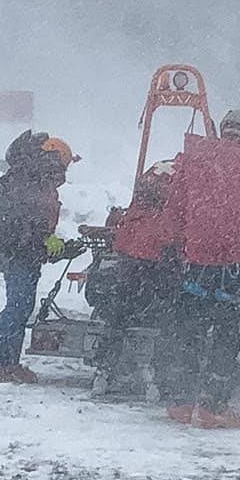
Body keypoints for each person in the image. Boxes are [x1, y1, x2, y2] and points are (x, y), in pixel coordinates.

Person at [162, 109, 240, 428]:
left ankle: (181, 402)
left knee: (189, 330)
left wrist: (183, 244)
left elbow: (173, 210)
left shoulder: (192, 162)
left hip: (195, 262)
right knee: (226, 335)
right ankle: (214, 406)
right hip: (232, 264)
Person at [0, 130, 83, 385]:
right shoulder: (27, 183)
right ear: (52, 159)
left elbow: (37, 228)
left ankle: (8, 363)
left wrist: (55, 246)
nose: (63, 171)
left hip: (24, 255)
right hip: (18, 255)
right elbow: (27, 228)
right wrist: (49, 246)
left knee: (22, 308)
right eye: (63, 164)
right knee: (16, 308)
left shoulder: (37, 182)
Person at [91, 158, 180, 395]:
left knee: (119, 313)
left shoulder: (153, 178)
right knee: (164, 314)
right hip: (156, 256)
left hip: (130, 252)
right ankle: (158, 372)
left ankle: (104, 369)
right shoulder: (184, 179)